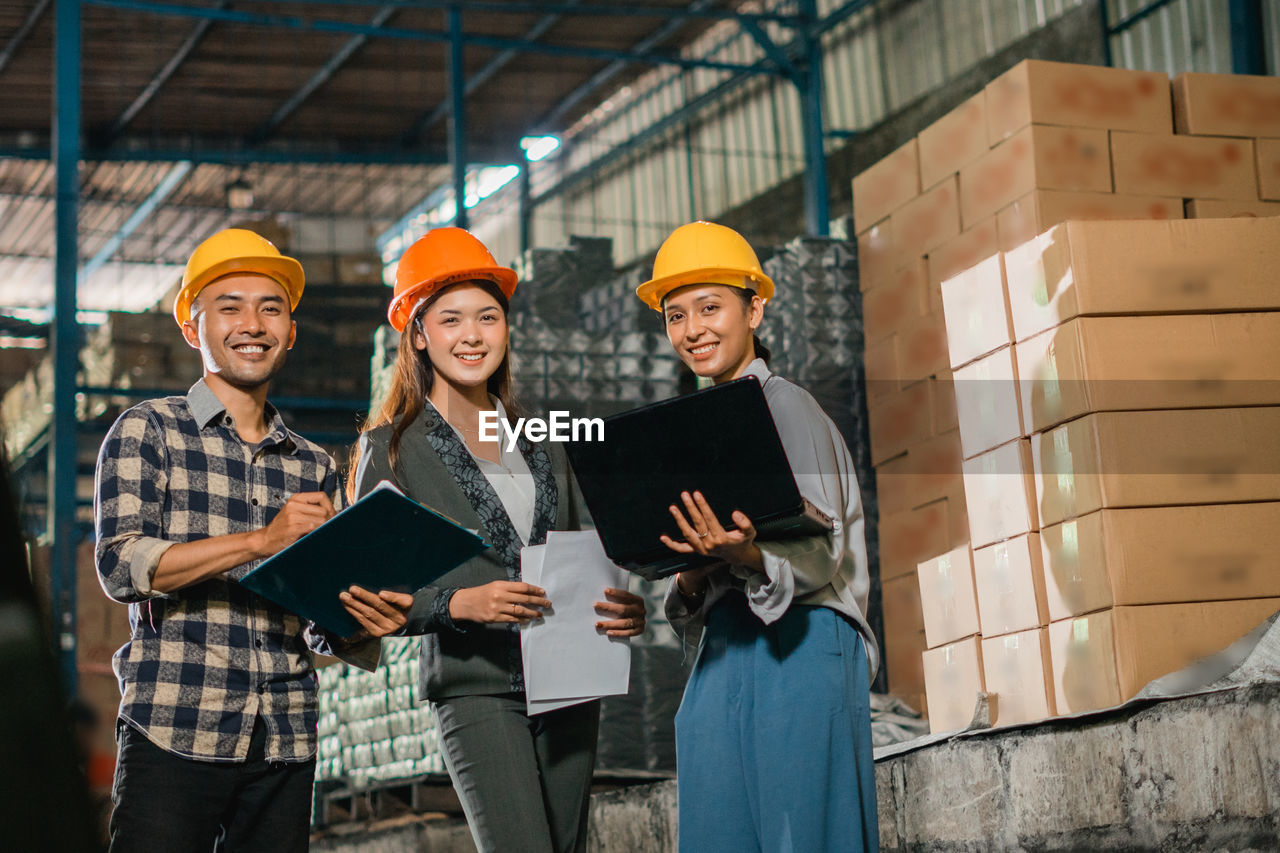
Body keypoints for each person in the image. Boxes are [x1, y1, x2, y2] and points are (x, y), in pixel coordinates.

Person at [94, 229, 406, 853]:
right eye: (229, 306)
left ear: (290, 332)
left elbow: (316, 620)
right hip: (175, 726)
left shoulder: (312, 464)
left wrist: (364, 619)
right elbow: (122, 565)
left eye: (271, 308)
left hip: (283, 739)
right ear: (193, 327)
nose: (252, 324)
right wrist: (260, 540)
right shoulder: (148, 432)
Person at [348, 227, 647, 853]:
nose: (473, 334)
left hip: (569, 677)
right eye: (451, 319)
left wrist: (622, 604)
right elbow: (367, 588)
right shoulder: (392, 451)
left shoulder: (542, 443)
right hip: (476, 686)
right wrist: (461, 603)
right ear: (420, 334)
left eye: (488, 316)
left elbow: (577, 553)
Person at [637, 221, 880, 852]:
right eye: (676, 316)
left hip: (804, 641)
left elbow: (819, 548)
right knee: (720, 834)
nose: (694, 331)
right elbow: (698, 585)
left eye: (711, 308)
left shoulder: (789, 409)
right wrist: (693, 565)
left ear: (756, 309)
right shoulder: (697, 433)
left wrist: (744, 554)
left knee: (809, 835)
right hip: (726, 644)